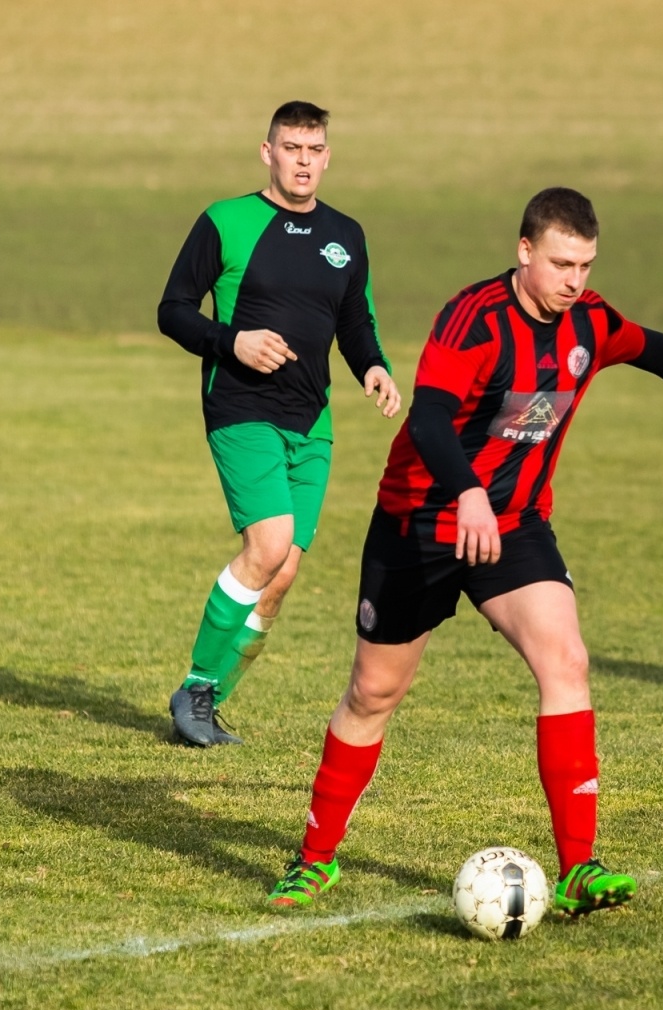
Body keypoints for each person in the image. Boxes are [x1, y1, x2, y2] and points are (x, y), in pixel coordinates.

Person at [265, 187, 663, 914]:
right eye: (560, 263)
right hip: (420, 522)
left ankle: (580, 868)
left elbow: (653, 349)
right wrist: (468, 492)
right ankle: (315, 860)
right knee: (373, 693)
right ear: (524, 252)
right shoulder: (474, 319)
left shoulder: (589, 322)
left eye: (584, 263)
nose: (574, 279)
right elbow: (428, 419)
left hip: (513, 525)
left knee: (565, 660)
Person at [157, 101, 401, 748]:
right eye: (290, 147)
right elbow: (173, 309)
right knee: (266, 547)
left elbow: (356, 322)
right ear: (267, 152)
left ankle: (204, 705)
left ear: (327, 156)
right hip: (240, 408)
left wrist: (373, 367)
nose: (302, 160)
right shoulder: (226, 221)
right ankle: (198, 685)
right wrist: (229, 342)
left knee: (285, 571)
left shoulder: (346, 234)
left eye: (313, 149)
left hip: (312, 419)